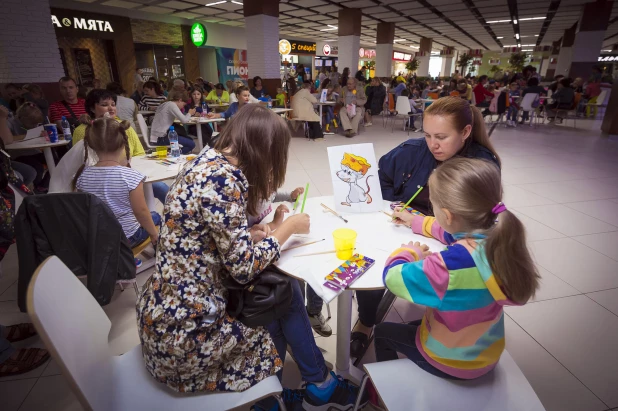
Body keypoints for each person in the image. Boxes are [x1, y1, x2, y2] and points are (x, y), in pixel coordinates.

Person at [136, 105, 362, 410]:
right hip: (185, 336)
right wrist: (289, 229)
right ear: (265, 150)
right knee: (279, 299)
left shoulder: (204, 161)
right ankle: (291, 393)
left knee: (283, 290)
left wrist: (256, 234)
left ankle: (296, 390)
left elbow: (210, 239)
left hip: (164, 313)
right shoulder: (224, 181)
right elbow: (243, 269)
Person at [351, 97, 500, 358]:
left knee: (438, 277)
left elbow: (477, 218)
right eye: (428, 134)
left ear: (466, 132)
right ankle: (366, 319)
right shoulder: (411, 150)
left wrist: (433, 226)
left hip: (452, 234)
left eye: (442, 136)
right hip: (415, 223)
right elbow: (381, 175)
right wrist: (393, 206)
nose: (433, 144)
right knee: (371, 253)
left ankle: (441, 319)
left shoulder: (481, 164)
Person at [377, 157, 539, 379]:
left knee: (383, 332)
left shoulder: (450, 265)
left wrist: (408, 252)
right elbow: (450, 232)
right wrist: (414, 221)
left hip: (450, 361)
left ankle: (380, 389)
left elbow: (393, 278)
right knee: (415, 322)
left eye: (432, 203)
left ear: (448, 215)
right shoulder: (499, 239)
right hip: (486, 353)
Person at [73, 118, 160, 249]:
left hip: (97, 238)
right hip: (127, 238)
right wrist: (154, 234)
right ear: (123, 144)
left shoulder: (81, 176)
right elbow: (141, 212)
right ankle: (156, 252)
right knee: (156, 216)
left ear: (91, 145)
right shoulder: (131, 176)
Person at [150, 89, 196, 155]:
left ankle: (174, 153)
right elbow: (184, 120)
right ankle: (173, 154)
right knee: (191, 144)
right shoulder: (172, 105)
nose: (182, 107)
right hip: (161, 138)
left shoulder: (165, 104)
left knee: (189, 139)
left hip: (155, 138)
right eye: (183, 105)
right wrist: (189, 113)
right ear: (180, 100)